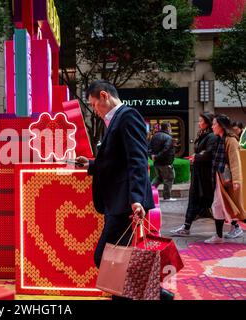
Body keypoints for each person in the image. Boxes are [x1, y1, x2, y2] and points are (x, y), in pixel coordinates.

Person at [75, 80, 174, 300]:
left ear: (104, 95)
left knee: (105, 257)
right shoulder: (114, 120)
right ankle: (156, 295)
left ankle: (156, 295)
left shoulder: (128, 116)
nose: (94, 109)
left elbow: (137, 160)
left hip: (126, 203)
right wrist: (91, 164)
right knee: (117, 258)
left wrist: (137, 198)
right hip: (117, 202)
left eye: (93, 104)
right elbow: (116, 161)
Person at [171, 112, 217, 236]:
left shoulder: (211, 136)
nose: (199, 123)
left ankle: (234, 225)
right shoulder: (203, 135)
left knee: (216, 202)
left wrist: (196, 157)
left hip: (206, 175)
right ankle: (186, 226)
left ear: (207, 122)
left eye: (201, 121)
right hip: (199, 173)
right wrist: (196, 157)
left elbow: (209, 153)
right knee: (195, 198)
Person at [205, 114, 245, 244]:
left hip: (228, 180)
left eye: (214, 124)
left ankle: (218, 236)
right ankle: (219, 236)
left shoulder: (230, 140)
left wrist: (237, 181)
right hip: (220, 178)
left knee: (237, 210)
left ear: (221, 126)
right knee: (219, 206)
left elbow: (235, 162)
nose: (212, 126)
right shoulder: (219, 139)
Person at [148, 122, 176, 201]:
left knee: (159, 178)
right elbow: (166, 150)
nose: (171, 129)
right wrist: (156, 157)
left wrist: (152, 157)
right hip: (165, 163)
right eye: (170, 127)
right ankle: (167, 197)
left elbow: (149, 148)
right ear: (167, 127)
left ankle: (148, 192)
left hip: (157, 163)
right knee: (170, 178)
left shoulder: (155, 136)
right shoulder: (168, 138)